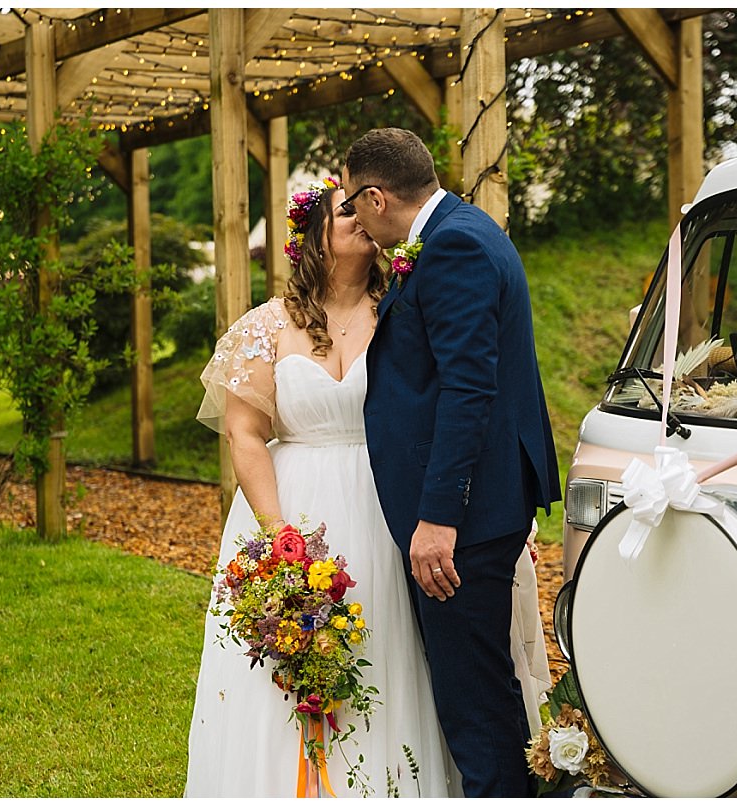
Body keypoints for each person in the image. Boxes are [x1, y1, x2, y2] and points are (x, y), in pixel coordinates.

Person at [184, 178, 458, 797]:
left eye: (365, 206)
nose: (362, 216)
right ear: (315, 236)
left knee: (385, 646)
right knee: (289, 645)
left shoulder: (401, 311)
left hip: (383, 501)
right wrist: (279, 534)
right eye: (346, 210)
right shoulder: (268, 326)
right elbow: (244, 434)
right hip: (296, 505)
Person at [341, 128, 562, 797]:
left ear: (377, 197)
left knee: (476, 701)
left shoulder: (455, 247)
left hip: (466, 513)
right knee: (480, 686)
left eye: (353, 205)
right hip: (482, 501)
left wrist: (438, 517)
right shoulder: (461, 231)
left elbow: (470, 390)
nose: (353, 219)